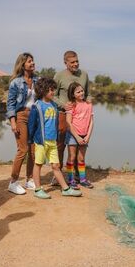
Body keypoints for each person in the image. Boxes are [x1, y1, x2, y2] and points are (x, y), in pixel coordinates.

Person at [28, 77, 82, 199]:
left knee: (56, 166)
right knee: (38, 164)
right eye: (51, 90)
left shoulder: (53, 105)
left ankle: (65, 189)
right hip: (41, 142)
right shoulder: (37, 106)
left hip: (52, 141)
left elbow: (55, 122)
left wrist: (57, 137)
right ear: (42, 90)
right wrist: (30, 140)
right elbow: (31, 125)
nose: (53, 92)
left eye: (53, 89)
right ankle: (37, 189)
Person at [53, 50, 92, 184]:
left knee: (79, 145)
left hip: (81, 117)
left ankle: (76, 176)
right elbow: (52, 95)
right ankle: (57, 174)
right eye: (72, 62)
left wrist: (88, 104)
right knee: (61, 145)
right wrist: (64, 105)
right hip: (64, 116)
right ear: (65, 63)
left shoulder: (84, 75)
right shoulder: (59, 76)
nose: (76, 64)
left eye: (77, 61)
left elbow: (88, 94)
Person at [6, 52, 38, 195]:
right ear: (23, 64)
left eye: (33, 61)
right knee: (22, 149)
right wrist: (13, 122)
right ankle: (13, 182)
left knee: (33, 150)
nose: (33, 63)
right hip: (21, 116)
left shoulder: (38, 80)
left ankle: (30, 179)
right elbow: (11, 104)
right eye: (30, 61)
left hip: (34, 116)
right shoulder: (16, 82)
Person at [65, 82, 94, 189]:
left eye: (82, 91)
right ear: (73, 94)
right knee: (71, 158)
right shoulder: (71, 105)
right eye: (78, 92)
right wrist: (77, 137)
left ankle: (82, 179)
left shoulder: (89, 104)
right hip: (73, 135)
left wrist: (87, 136)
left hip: (85, 135)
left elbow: (91, 122)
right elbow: (68, 123)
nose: (81, 93)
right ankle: (71, 180)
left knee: (81, 159)